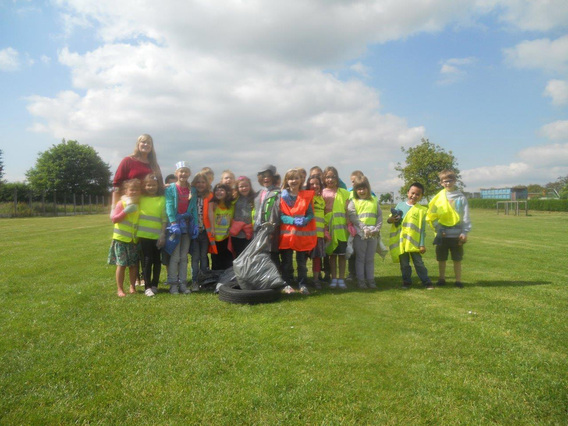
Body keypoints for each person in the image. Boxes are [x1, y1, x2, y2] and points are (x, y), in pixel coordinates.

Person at [426, 170, 471, 288]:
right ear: (441, 183)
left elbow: (465, 216)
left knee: (457, 259)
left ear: (455, 181)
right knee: (441, 259)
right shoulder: (438, 198)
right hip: (443, 234)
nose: (447, 183)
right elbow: (432, 214)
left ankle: (458, 281)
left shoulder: (461, 198)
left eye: (450, 181)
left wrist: (465, 232)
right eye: (445, 181)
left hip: (457, 235)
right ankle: (441, 279)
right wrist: (438, 229)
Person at [388, 182, 433, 290]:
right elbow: (390, 220)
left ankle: (426, 282)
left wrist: (422, 244)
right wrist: (391, 219)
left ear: (421, 196)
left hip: (414, 243)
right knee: (404, 264)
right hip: (402, 242)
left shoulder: (422, 210)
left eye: (418, 194)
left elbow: (422, 229)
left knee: (419, 263)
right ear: (408, 192)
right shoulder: (400, 205)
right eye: (412, 193)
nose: (414, 196)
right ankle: (406, 282)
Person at [279, 169, 317, 295]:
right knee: (287, 262)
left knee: (302, 263)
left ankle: (302, 284)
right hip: (287, 235)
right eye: (291, 178)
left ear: (301, 180)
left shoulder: (306, 196)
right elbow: (280, 215)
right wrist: (292, 220)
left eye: (296, 178)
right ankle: (287, 283)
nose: (294, 181)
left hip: (301, 236)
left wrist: (306, 219)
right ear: (286, 181)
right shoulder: (282, 196)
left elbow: (311, 213)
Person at [165, 162, 196, 295]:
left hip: (187, 226)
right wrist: (173, 223)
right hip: (176, 226)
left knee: (184, 257)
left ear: (189, 173)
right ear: (176, 173)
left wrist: (194, 223)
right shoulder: (171, 188)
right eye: (181, 171)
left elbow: (193, 207)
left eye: (186, 171)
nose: (183, 174)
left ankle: (183, 284)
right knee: (175, 256)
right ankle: (173, 285)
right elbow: (169, 205)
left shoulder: (192, 190)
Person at [108, 179, 142, 297]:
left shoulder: (139, 205)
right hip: (121, 239)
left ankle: (132, 287)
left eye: (136, 190)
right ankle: (120, 289)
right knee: (121, 265)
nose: (134, 192)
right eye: (131, 190)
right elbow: (114, 219)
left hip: (134, 240)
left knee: (133, 265)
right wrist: (126, 211)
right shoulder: (121, 203)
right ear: (126, 191)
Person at [347, 176, 382, 289]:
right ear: (355, 190)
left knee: (370, 258)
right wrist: (363, 228)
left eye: (364, 188)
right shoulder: (353, 202)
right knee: (360, 258)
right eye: (359, 189)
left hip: (373, 234)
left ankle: (371, 280)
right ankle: (361, 281)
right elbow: (353, 217)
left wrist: (376, 228)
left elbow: (379, 216)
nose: (361, 191)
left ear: (368, 188)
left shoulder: (374, 201)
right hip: (360, 234)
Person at [112, 134, 163, 208]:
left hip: (150, 203)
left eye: (149, 143)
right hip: (130, 202)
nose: (146, 144)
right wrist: (114, 206)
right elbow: (116, 184)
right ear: (138, 144)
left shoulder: (154, 165)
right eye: (143, 142)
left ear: (151, 146)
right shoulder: (128, 161)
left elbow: (160, 184)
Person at [138, 173, 167, 296]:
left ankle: (155, 285)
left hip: (157, 237)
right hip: (144, 236)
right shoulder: (140, 199)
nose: (151, 187)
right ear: (144, 186)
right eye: (148, 185)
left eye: (154, 185)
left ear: (158, 186)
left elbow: (164, 219)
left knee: (157, 261)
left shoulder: (162, 199)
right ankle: (147, 286)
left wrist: (162, 234)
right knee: (147, 261)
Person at [322, 166, 350, 289]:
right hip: (329, 228)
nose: (330, 179)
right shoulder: (322, 193)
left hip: (342, 229)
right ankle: (334, 278)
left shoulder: (343, 192)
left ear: (337, 178)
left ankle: (341, 278)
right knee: (332, 255)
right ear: (324, 178)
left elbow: (349, 209)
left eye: (333, 176)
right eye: (328, 177)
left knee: (342, 256)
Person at [254, 164, 281, 269]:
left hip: (270, 229)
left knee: (272, 254)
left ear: (273, 178)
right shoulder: (260, 193)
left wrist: (271, 228)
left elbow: (276, 211)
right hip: (258, 228)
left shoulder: (277, 193)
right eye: (263, 176)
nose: (266, 178)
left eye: (268, 176)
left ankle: (276, 277)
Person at [189, 171, 212, 289]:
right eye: (198, 182)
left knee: (204, 256)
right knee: (195, 257)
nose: (201, 184)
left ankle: (204, 280)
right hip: (194, 232)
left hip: (205, 232)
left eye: (203, 182)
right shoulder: (191, 195)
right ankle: (195, 280)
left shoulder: (209, 196)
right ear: (194, 183)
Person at [206, 183, 234, 270]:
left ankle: (227, 280)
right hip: (215, 238)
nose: (219, 192)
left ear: (226, 192)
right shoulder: (213, 204)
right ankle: (216, 280)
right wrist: (212, 229)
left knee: (227, 260)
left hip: (226, 237)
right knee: (216, 261)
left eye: (222, 190)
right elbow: (209, 214)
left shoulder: (231, 205)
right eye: (217, 190)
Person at [306, 174, 325, 289]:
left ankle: (316, 279)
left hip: (319, 234)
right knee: (303, 258)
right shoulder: (306, 197)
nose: (315, 186)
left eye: (317, 183)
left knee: (317, 258)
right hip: (307, 234)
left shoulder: (321, 199)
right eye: (312, 184)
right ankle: (301, 278)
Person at [230, 176, 256, 258]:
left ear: (250, 186)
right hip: (237, 232)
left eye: (246, 186)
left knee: (249, 255)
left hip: (250, 231)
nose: (244, 188)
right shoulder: (234, 198)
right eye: (241, 186)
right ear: (237, 188)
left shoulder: (255, 198)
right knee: (238, 254)